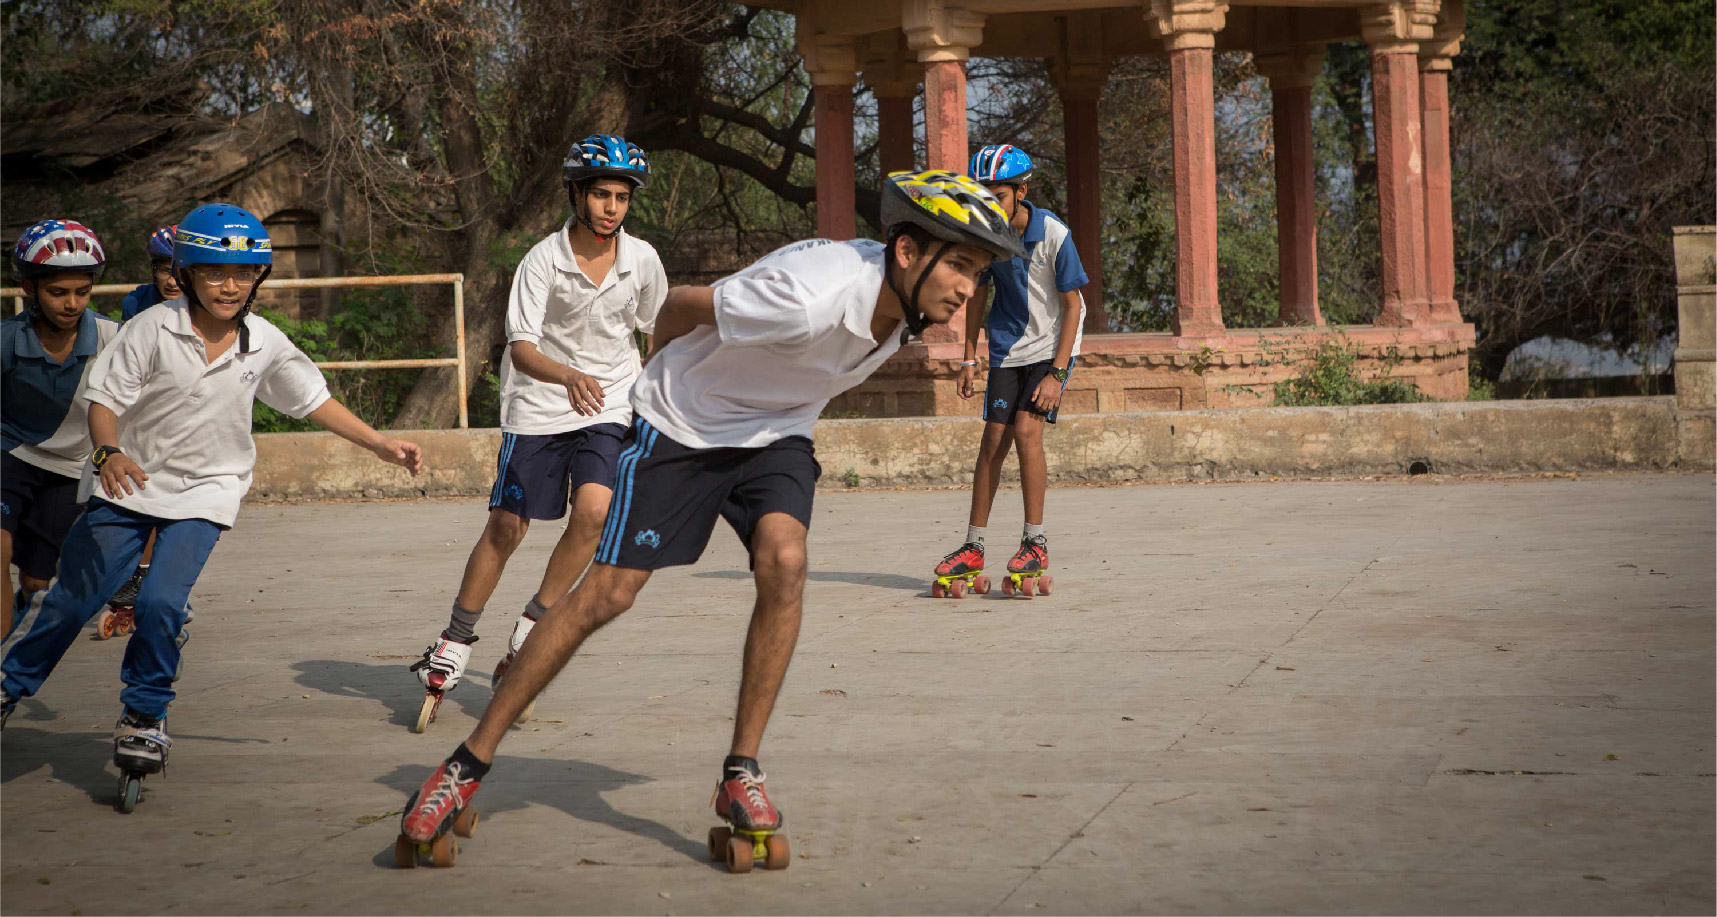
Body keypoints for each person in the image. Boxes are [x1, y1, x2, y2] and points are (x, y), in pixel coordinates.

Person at [394, 171, 1024, 866]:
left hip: (774, 434)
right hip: (681, 425)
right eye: (962, 266)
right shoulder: (805, 296)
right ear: (907, 251)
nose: (969, 289)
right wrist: (657, 381)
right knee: (608, 594)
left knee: (785, 560)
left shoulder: (905, 309)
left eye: (980, 273)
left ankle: (740, 771)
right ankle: (465, 763)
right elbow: (678, 306)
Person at [0, 204, 424, 811]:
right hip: (129, 485)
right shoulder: (149, 329)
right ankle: (10, 686)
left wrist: (379, 443)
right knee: (72, 600)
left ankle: (145, 714)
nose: (230, 286)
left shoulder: (264, 342)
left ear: (259, 279)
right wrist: (109, 453)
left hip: (206, 491)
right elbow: (102, 401)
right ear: (188, 273)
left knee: (162, 601)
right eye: (215, 272)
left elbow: (313, 401)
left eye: (244, 273)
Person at [409, 134, 666, 732]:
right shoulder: (541, 261)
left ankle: (532, 627)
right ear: (577, 193)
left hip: (609, 403)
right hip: (538, 403)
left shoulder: (642, 260)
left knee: (595, 512)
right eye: (601, 193)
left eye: (622, 197)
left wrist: (662, 386)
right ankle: (454, 640)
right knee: (506, 526)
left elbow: (659, 330)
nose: (612, 207)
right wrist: (567, 374)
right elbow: (521, 348)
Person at [933, 145, 1086, 599]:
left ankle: (1034, 542)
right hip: (1007, 348)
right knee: (993, 440)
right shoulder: (985, 236)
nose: (989, 204)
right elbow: (977, 294)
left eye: (996, 195)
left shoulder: (1054, 234)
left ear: (1021, 191)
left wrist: (1057, 375)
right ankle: (973, 546)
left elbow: (1073, 305)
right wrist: (968, 357)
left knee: (1025, 431)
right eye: (981, 196)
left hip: (1053, 344)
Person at [2, 220, 119, 638]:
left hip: (72, 468)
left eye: (82, 292)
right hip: (10, 453)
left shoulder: (113, 338)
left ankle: (25, 604)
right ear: (29, 289)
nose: (72, 303)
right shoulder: (5, 339)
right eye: (58, 292)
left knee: (37, 581)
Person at [106, 225, 187, 623]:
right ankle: (136, 574)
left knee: (175, 503)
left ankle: (155, 579)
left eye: (178, 269)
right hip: (143, 406)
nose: (171, 279)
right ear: (152, 270)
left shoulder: (205, 305)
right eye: (162, 269)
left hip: (187, 410)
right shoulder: (136, 303)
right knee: (142, 492)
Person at [119, 225, 182, 321]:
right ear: (154, 270)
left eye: (179, 273)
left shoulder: (205, 305)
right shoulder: (135, 304)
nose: (172, 282)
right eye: (165, 271)